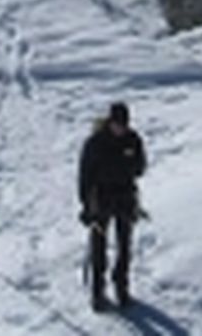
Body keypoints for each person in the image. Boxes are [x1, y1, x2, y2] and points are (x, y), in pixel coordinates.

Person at [78, 102, 146, 311]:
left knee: (124, 246)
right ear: (110, 122)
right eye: (117, 124)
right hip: (101, 198)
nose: (121, 129)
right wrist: (86, 206)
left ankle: (121, 288)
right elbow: (84, 176)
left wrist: (132, 164)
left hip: (125, 197)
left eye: (124, 124)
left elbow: (141, 167)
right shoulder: (95, 143)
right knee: (99, 246)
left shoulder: (133, 140)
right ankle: (98, 293)